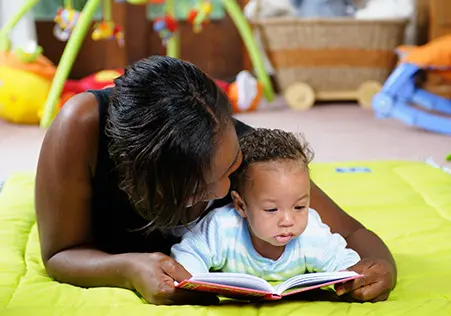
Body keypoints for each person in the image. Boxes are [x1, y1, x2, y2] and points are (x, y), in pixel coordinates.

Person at [35, 55, 396, 306]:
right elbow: (60, 253)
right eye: (197, 188)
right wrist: (127, 268)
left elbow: (351, 233)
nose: (224, 191)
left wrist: (382, 268)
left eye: (230, 169)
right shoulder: (80, 128)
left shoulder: (243, 152)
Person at [171, 128, 361, 281]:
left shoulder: (312, 233)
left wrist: (351, 279)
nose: (288, 220)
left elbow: (346, 260)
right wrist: (197, 283)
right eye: (271, 209)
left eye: (300, 207)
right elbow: (189, 254)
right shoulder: (222, 227)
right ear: (241, 206)